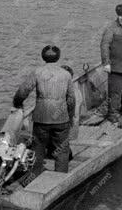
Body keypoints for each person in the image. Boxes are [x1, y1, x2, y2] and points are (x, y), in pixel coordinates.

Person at [13, 45, 76, 175]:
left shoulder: (37, 72)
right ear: (58, 57)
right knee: (62, 150)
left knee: (38, 148)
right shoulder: (66, 75)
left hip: (41, 118)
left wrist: (17, 103)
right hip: (61, 118)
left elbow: (22, 92)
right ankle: (60, 177)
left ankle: (35, 176)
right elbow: (71, 100)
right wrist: (70, 116)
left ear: (43, 57)